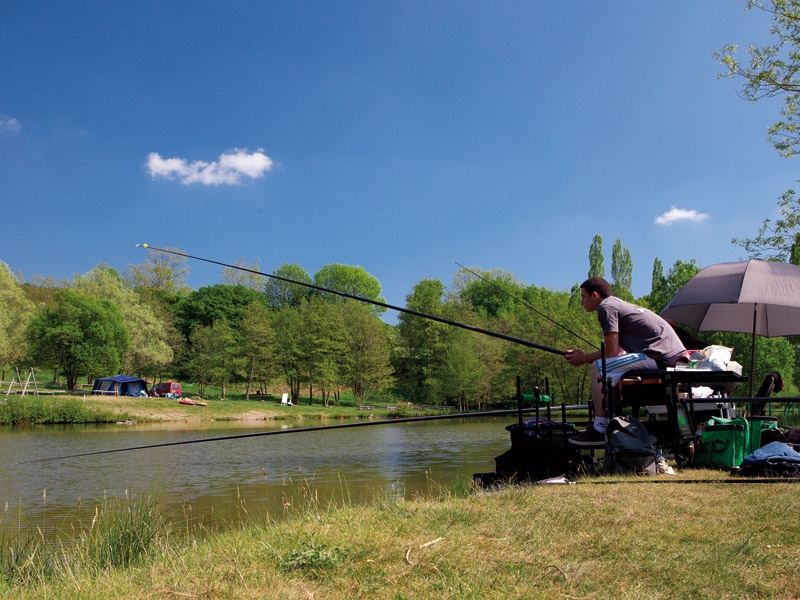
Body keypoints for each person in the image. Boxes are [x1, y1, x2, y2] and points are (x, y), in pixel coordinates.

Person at [565, 277, 686, 445]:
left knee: (598, 367)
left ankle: (599, 428)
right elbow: (619, 352)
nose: (581, 302)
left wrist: (584, 357)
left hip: (660, 357)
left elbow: (611, 352)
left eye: (583, 296)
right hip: (669, 357)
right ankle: (614, 422)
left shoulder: (606, 308)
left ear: (595, 295)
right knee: (609, 368)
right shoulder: (618, 305)